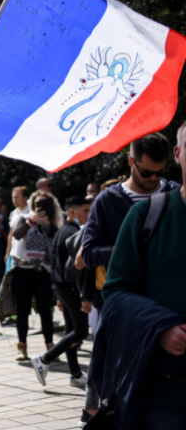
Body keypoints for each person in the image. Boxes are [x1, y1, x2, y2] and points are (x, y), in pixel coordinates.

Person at [89, 121, 186, 429]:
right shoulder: (144, 213)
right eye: (147, 172)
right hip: (166, 396)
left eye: (158, 173)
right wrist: (159, 327)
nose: (153, 179)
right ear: (179, 153)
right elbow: (114, 292)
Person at [30, 196, 92, 388]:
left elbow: (56, 262)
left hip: (61, 286)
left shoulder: (63, 230)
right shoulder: (72, 232)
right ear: (72, 211)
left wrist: (58, 295)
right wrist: (84, 296)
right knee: (80, 331)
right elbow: (76, 268)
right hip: (70, 287)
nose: (89, 215)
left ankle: (75, 374)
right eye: (85, 210)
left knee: (70, 330)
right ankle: (45, 359)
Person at [9, 190, 62, 362]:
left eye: (45, 205)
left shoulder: (52, 225)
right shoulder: (25, 218)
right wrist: (32, 221)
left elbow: (57, 245)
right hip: (23, 271)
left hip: (42, 273)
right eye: (38, 204)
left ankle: (50, 346)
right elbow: (16, 235)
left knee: (46, 311)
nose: (41, 208)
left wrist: (47, 225)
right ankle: (22, 347)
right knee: (22, 310)